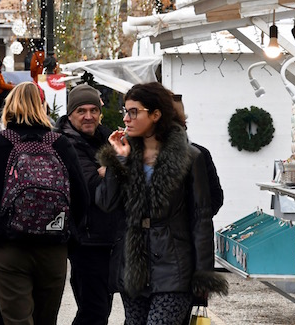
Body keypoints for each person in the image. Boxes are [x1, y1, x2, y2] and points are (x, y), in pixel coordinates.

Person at [97, 82, 228, 325]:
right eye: (125, 111)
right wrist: (119, 161)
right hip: (134, 268)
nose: (126, 118)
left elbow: (201, 220)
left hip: (174, 268)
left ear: (156, 114)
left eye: (134, 112)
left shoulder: (190, 157)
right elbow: (106, 203)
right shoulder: (125, 155)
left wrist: (203, 278)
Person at [0, 81, 89, 325]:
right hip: (53, 248)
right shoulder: (60, 143)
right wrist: (64, 230)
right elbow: (81, 198)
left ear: (10, 106)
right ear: (43, 106)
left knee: (17, 320)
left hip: (9, 247)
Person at [57, 84, 124, 325]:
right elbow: (92, 185)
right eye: (81, 110)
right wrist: (117, 165)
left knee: (100, 310)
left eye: (93, 110)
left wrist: (109, 169)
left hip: (108, 237)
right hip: (85, 239)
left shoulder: (104, 138)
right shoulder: (66, 143)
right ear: (70, 113)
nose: (88, 116)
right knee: (93, 311)